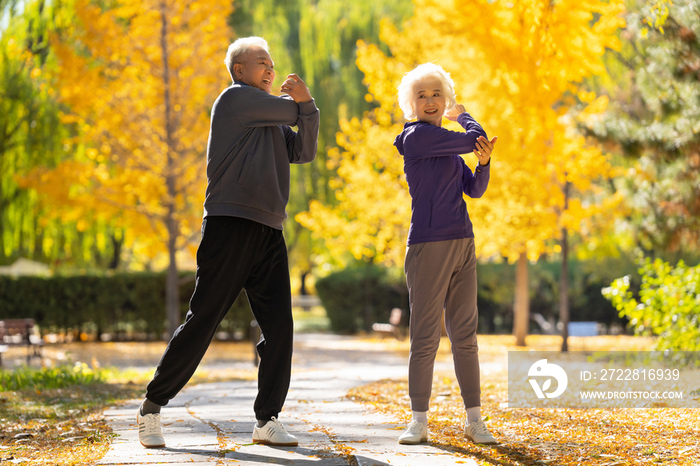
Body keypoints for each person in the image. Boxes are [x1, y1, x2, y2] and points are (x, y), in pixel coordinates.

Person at [136, 36, 320, 449]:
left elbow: (304, 149)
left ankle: (267, 420)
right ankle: (151, 406)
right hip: (229, 224)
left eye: (272, 63)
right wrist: (306, 103)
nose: (270, 69)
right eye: (261, 63)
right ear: (240, 70)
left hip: (270, 230)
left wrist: (308, 110)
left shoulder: (270, 118)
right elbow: (296, 112)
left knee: (280, 328)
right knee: (203, 321)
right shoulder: (235, 99)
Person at [393, 63, 498, 446]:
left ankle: (474, 420)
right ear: (411, 104)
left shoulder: (449, 150)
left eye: (437, 93)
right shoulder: (415, 138)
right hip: (428, 246)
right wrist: (465, 117)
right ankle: (418, 420)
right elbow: (476, 137)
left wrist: (484, 163)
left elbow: (474, 189)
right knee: (424, 338)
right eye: (422, 95)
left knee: (466, 337)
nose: (431, 100)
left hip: (463, 243)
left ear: (445, 97)